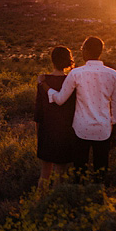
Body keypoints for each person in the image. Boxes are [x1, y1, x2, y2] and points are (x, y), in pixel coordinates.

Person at [43, 36, 116, 182]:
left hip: (81, 130)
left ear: (85, 51)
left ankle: (78, 198)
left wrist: (46, 87)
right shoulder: (113, 75)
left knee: (79, 173)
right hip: (103, 130)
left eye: (82, 49)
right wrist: (115, 134)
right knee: (101, 173)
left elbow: (60, 100)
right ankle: (98, 197)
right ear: (100, 51)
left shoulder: (76, 74)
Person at [34, 46, 77, 188]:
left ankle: (40, 203)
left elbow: (38, 112)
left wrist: (38, 135)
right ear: (67, 61)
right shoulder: (72, 82)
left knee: (44, 173)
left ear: (52, 61)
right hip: (65, 132)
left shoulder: (43, 81)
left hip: (47, 131)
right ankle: (56, 203)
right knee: (61, 174)